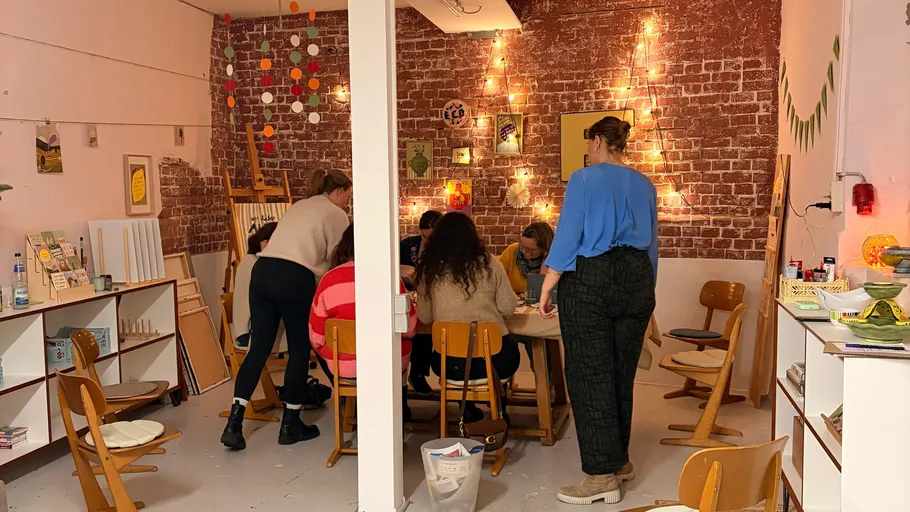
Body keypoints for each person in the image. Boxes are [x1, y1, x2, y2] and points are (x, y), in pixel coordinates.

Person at [540, 116, 658, 505]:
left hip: (592, 277)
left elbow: (569, 231)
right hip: (637, 277)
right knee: (621, 372)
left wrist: (549, 281)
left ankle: (600, 476)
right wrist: (647, 291)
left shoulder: (585, 178)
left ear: (596, 142)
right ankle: (619, 462)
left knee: (590, 375)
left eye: (588, 143)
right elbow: (652, 246)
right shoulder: (644, 183)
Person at [221, 169, 352, 450]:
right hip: (294, 277)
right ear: (340, 191)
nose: (346, 204)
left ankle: (234, 422)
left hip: (263, 271)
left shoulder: (299, 205)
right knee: (300, 348)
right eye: (347, 197)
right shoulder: (336, 214)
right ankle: (290, 423)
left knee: (259, 348)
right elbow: (338, 258)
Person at [415, 212, 520, 423]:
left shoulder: (429, 268)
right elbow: (508, 307)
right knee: (507, 345)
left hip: (448, 365)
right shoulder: (489, 263)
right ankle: (499, 409)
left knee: (452, 351)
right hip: (493, 362)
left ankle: (467, 409)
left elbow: (425, 317)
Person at [309, 223, 418, 421]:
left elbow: (316, 338)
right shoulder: (390, 278)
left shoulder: (328, 280)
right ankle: (398, 412)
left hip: (344, 366)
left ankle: (352, 411)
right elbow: (410, 329)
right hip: (387, 365)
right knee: (405, 344)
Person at [400, 210, 442, 394]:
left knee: (426, 325)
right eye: (423, 235)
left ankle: (418, 372)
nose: (426, 240)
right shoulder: (408, 244)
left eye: (431, 236)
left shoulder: (446, 249)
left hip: (435, 297)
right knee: (415, 325)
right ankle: (413, 375)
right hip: (408, 295)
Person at [232, 222, 278, 349]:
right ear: (265, 243)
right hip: (249, 331)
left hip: (251, 326)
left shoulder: (253, 261)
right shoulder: (253, 264)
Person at [499, 222, 554, 294]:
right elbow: (496, 278)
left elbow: (549, 292)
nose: (525, 251)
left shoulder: (553, 260)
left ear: (544, 248)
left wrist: (545, 262)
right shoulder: (512, 250)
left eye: (531, 249)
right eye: (522, 246)